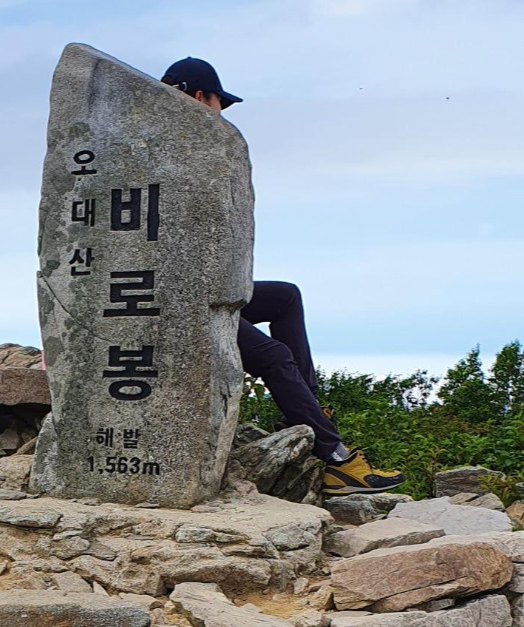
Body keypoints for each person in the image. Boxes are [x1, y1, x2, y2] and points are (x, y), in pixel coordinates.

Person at [161, 57, 405, 496]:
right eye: (219, 103)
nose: (221, 114)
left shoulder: (183, 148)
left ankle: (309, 409)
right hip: (175, 302)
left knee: (285, 296)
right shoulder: (165, 150)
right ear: (198, 97)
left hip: (202, 289)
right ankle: (336, 460)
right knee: (273, 356)